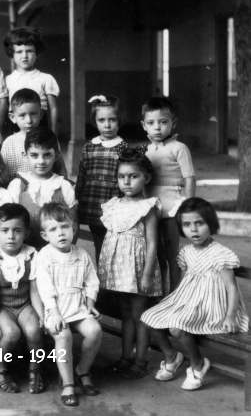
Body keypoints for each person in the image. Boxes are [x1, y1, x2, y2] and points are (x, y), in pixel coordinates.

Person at [141, 198, 249, 391]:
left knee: (176, 327)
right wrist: (172, 301)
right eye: (187, 225)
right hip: (189, 300)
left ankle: (198, 364)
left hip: (213, 305)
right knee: (150, 317)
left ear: (211, 224)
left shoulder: (220, 254)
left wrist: (231, 315)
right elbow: (185, 283)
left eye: (199, 223)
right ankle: (172, 357)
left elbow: (231, 288)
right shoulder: (186, 252)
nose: (194, 230)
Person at [98, 148, 161, 379]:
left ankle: (141, 361)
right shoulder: (113, 205)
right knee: (125, 314)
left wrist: (146, 274)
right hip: (118, 272)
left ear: (146, 178)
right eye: (122, 176)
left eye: (133, 176)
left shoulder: (148, 207)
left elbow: (152, 244)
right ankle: (125, 357)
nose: (126, 181)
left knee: (139, 315)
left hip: (138, 270)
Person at [34, 203, 102, 407]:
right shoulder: (45, 255)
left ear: (73, 228)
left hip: (78, 307)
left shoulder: (81, 254)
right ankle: (68, 383)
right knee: (63, 336)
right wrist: (53, 313)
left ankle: (82, 369)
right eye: (53, 229)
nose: (60, 233)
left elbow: (92, 281)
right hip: (55, 309)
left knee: (95, 330)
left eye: (64, 226)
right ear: (45, 235)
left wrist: (90, 303)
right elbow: (44, 288)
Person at [0, 204, 44, 394]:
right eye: (5, 230)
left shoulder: (31, 254)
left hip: (24, 305)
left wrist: (41, 316)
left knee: (34, 330)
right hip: (3, 308)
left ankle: (36, 370)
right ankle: (2, 370)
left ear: (26, 233)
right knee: (11, 334)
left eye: (17, 231)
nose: (11, 236)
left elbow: (34, 290)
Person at [141, 96, 195, 291]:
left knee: (173, 255)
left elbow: (189, 178)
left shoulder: (180, 148)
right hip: (152, 208)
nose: (157, 127)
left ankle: (175, 295)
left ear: (173, 123)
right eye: (151, 123)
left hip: (173, 207)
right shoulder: (146, 150)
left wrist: (187, 207)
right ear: (144, 125)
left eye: (163, 122)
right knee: (156, 254)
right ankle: (160, 293)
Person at [76, 94, 129, 259]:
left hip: (114, 204)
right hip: (93, 203)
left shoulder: (123, 147)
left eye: (112, 120)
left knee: (114, 244)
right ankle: (101, 280)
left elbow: (128, 178)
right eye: (102, 120)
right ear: (95, 121)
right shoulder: (89, 147)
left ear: (119, 120)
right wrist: (77, 197)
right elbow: (82, 175)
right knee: (99, 242)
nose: (107, 125)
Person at [7, 128, 77, 249]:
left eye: (47, 155)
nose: (41, 161)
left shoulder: (63, 186)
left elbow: (74, 224)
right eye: (34, 155)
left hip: (56, 253)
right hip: (24, 251)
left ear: (56, 155)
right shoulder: (18, 185)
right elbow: (10, 223)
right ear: (25, 155)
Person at [3, 27, 60, 133]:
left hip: (40, 126)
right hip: (16, 128)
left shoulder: (46, 78)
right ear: (12, 54)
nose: (24, 56)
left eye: (29, 51)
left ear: (37, 53)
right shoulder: (8, 80)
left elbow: (53, 109)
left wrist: (53, 133)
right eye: (19, 52)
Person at [0, 88, 66, 179]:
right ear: (12, 117)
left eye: (33, 114)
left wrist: (65, 186)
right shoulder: (9, 143)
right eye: (22, 115)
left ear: (41, 114)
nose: (29, 120)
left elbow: (60, 168)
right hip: (17, 190)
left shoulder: (49, 138)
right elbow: (3, 174)